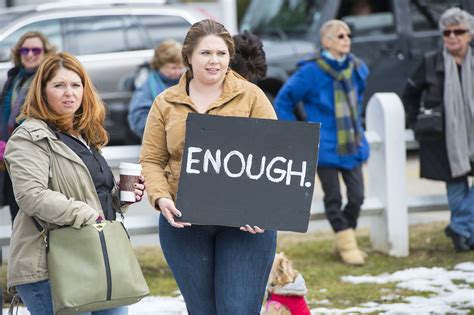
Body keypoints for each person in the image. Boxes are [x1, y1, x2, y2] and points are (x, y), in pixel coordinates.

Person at [140, 19, 277, 314]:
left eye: (221, 53)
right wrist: (160, 197)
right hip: (184, 222)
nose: (214, 61)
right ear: (188, 56)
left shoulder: (252, 97)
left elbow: (275, 155)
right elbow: (152, 160)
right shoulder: (165, 103)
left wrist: (263, 206)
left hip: (245, 225)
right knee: (202, 310)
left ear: (230, 57)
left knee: (237, 309)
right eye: (205, 53)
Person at [4, 52, 145, 314]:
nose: (69, 93)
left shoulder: (85, 136)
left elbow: (95, 194)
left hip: (99, 257)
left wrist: (122, 198)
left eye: (75, 85)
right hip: (49, 265)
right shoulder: (30, 137)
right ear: (42, 91)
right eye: (59, 85)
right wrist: (85, 213)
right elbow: (31, 195)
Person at [274, 19, 369, 265]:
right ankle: (347, 244)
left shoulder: (358, 68)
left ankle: (344, 237)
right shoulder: (310, 72)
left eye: (348, 35)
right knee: (334, 196)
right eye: (340, 36)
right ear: (326, 41)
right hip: (324, 145)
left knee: (357, 195)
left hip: (352, 144)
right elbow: (284, 100)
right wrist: (298, 131)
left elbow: (357, 102)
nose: (346, 39)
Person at [403, 8, 474, 252]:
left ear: (470, 34)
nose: (452, 36)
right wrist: (415, 123)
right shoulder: (431, 62)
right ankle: (465, 236)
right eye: (447, 32)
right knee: (456, 186)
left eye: (459, 31)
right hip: (444, 139)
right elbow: (409, 94)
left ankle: (461, 227)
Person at [0, 31, 55, 223]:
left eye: (36, 50)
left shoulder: (47, 79)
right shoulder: (14, 78)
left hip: (33, 155)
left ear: (45, 52)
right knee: (17, 217)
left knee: (33, 218)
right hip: (9, 159)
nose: (30, 54)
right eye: (25, 49)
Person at [127, 39, 184, 138]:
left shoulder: (188, 82)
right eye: (173, 68)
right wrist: (162, 130)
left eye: (181, 68)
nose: (178, 72)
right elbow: (137, 118)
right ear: (160, 65)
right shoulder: (147, 87)